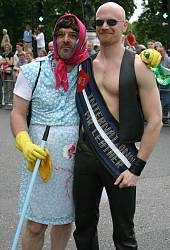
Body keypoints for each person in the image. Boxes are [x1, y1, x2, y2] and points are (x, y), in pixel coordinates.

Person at [73, 2, 163, 250]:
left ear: (124, 26)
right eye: (99, 22)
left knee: (124, 233)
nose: (104, 26)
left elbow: (155, 120)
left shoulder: (139, 66)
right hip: (85, 157)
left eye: (111, 22)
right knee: (83, 228)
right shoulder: (84, 65)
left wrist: (136, 169)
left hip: (121, 158)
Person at [10, 14, 88, 250]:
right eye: (61, 35)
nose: (66, 40)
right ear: (53, 39)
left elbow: (122, 69)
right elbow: (17, 113)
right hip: (40, 156)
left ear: (81, 39)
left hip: (75, 160)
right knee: (35, 224)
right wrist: (24, 142)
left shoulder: (91, 70)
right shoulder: (31, 71)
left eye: (73, 35)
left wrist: (149, 64)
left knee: (65, 222)